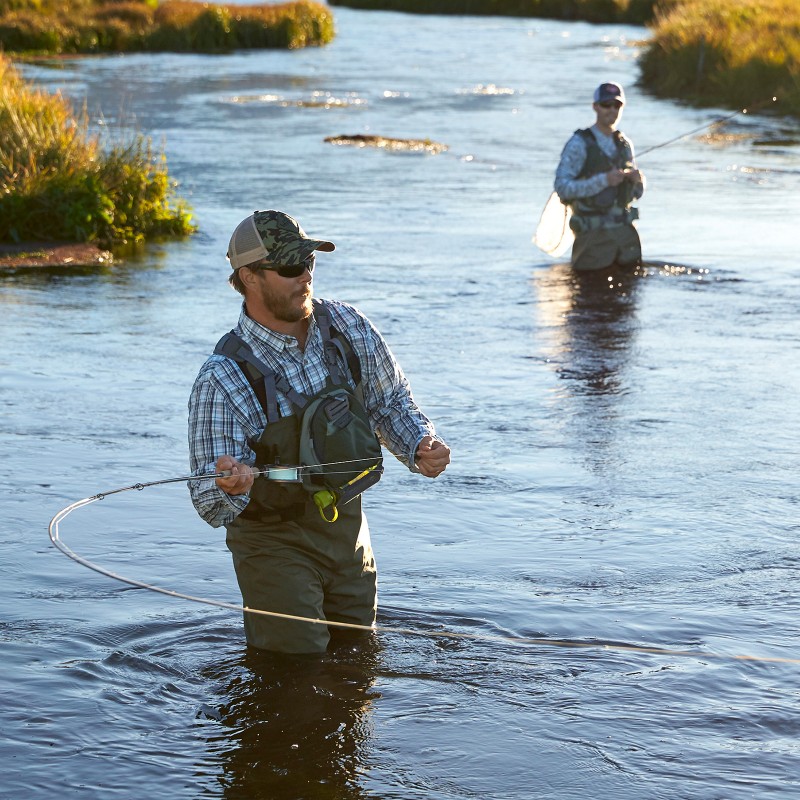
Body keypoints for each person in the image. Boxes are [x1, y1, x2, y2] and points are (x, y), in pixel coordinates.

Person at [188, 209, 451, 655]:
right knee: (296, 670)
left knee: (358, 659)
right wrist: (231, 482)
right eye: (291, 268)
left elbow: (390, 403)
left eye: (309, 263)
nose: (305, 278)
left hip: (347, 531)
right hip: (273, 544)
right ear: (249, 277)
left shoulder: (347, 327)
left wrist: (418, 445)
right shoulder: (222, 377)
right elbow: (208, 502)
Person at [554, 81, 645, 271]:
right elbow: (562, 188)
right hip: (591, 237)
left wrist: (638, 182)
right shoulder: (579, 143)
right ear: (595, 107)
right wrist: (603, 181)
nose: (611, 110)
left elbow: (635, 194)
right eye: (606, 105)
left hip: (625, 237)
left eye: (617, 105)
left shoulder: (624, 144)